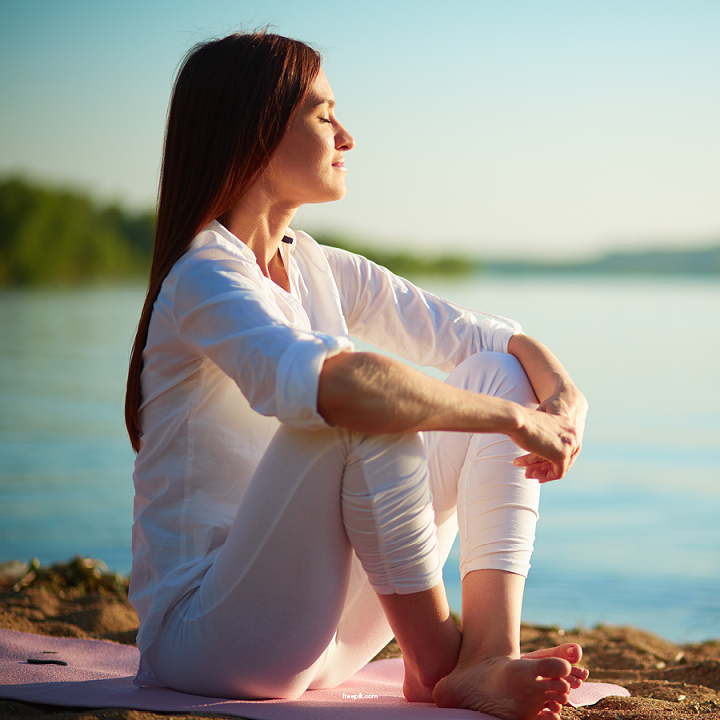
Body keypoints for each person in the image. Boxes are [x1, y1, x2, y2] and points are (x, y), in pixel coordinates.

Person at [125, 31, 589, 720]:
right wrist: (515, 422)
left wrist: (562, 396)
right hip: (211, 639)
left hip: (329, 637)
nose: (346, 135)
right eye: (322, 114)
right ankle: (437, 663)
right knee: (360, 404)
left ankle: (486, 652)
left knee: (493, 373)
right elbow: (338, 387)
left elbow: (491, 338)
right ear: (254, 133)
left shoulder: (316, 265)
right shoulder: (205, 275)